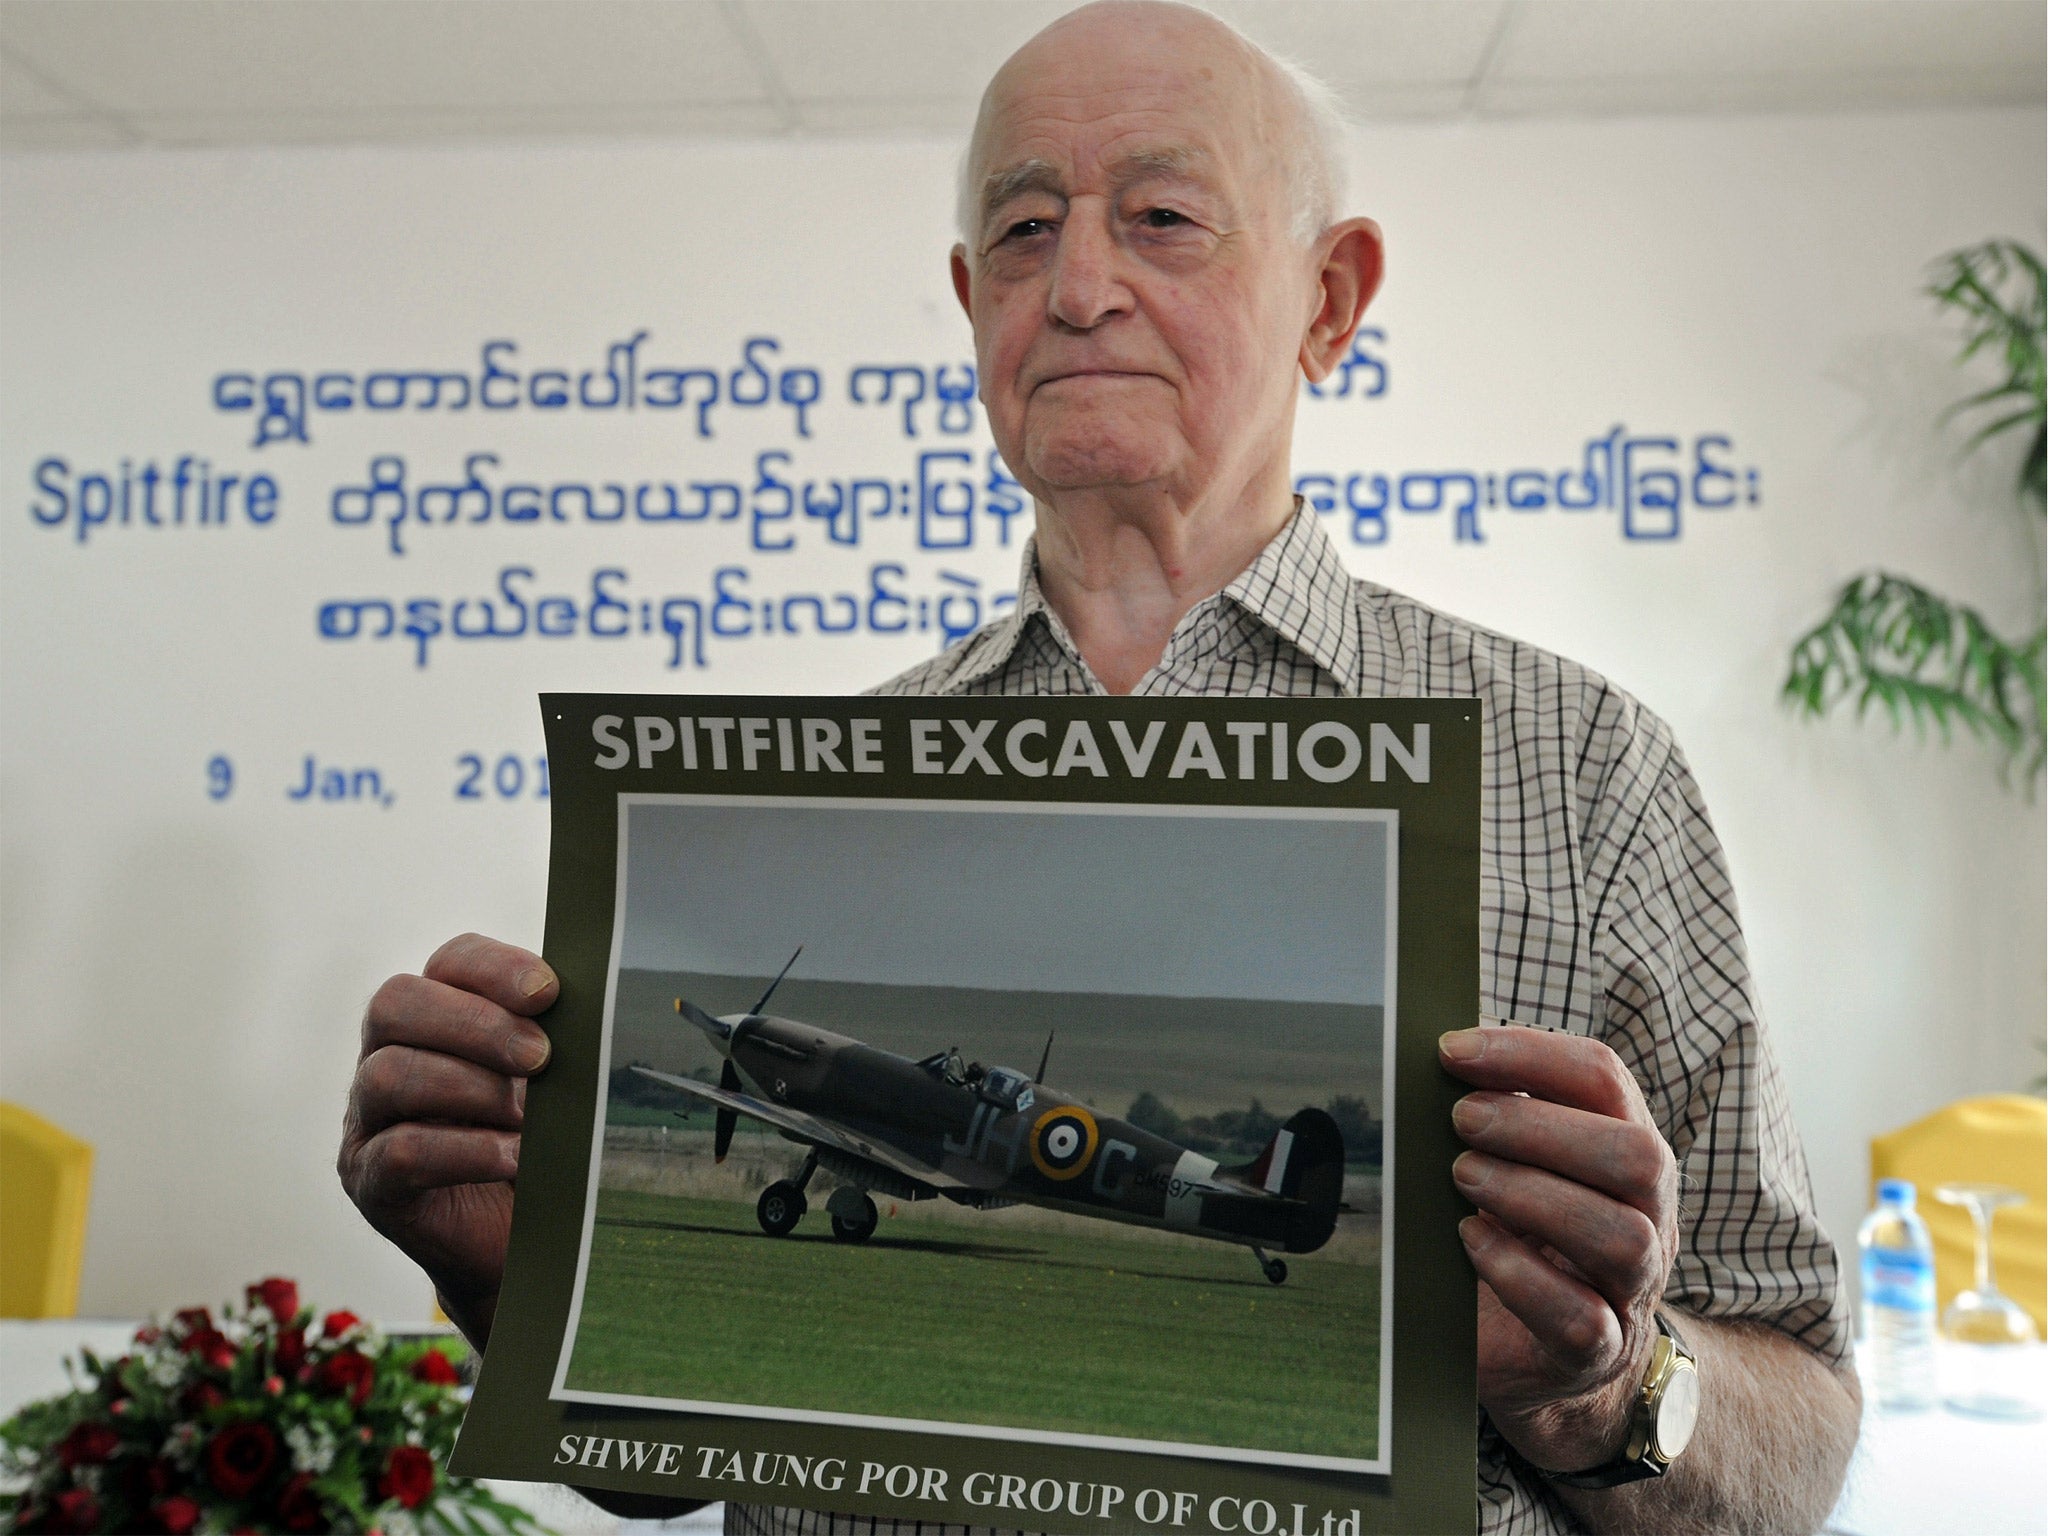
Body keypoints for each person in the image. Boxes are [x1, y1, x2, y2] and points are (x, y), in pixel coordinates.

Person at [338, 4, 1861, 1531]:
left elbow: (1798, 1447)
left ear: (1330, 301)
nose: (1075, 289)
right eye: (1019, 231)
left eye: (1164, 218)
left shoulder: (1590, 769)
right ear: (969, 306)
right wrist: (513, 1279)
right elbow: (654, 1474)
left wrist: (1598, 1391)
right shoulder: (806, 801)